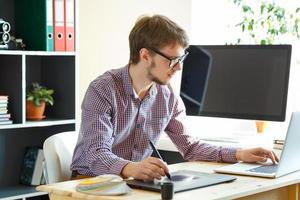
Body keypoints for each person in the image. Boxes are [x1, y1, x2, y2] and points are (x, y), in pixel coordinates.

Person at [70, 14, 278, 181]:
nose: (179, 67)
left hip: (131, 183)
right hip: (89, 182)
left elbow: (190, 147)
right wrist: (132, 168)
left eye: (181, 58)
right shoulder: (103, 90)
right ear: (145, 56)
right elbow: (96, 155)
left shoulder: (167, 96)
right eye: (172, 59)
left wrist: (239, 154)